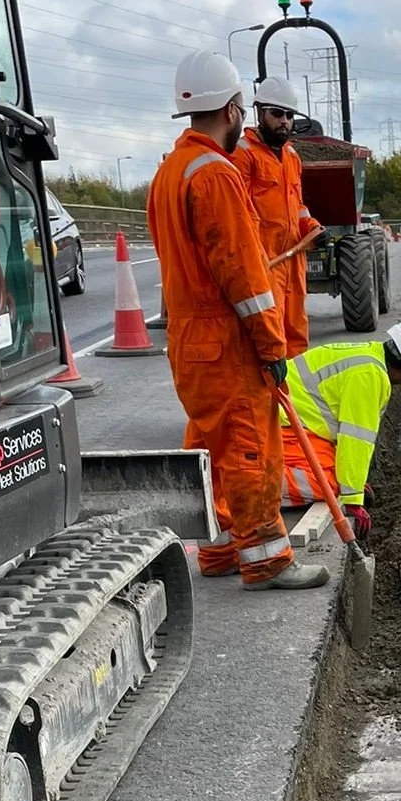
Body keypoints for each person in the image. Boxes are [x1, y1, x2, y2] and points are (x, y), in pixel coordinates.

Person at [147, 50, 327, 591]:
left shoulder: (168, 173)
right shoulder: (217, 176)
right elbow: (245, 280)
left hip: (189, 341)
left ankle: (220, 549)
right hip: (227, 340)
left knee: (210, 444)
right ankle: (268, 559)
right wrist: (272, 348)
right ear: (231, 109)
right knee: (250, 447)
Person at [281, 320, 401, 538]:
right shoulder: (370, 376)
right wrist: (352, 499)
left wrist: (356, 483)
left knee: (336, 471)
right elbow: (355, 440)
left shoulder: (369, 354)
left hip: (290, 416)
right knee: (328, 485)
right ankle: (247, 483)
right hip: (277, 421)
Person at [235, 76, 322, 356]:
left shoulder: (292, 157)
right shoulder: (243, 155)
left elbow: (297, 207)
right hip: (265, 264)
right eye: (277, 114)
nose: (284, 120)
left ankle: (296, 397)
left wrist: (312, 226)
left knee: (296, 337)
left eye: (289, 115)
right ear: (260, 113)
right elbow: (239, 216)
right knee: (269, 343)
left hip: (293, 261)